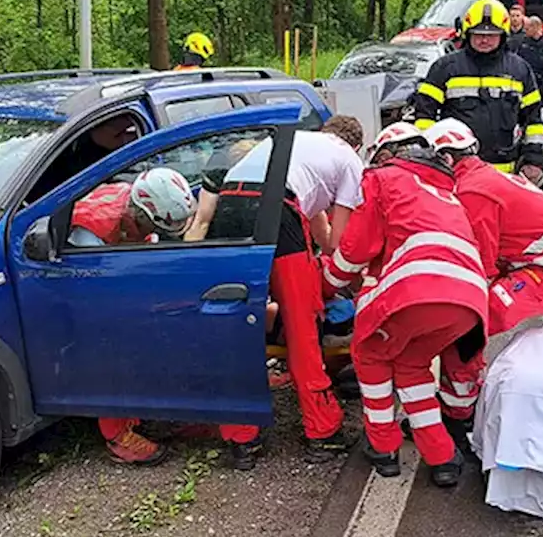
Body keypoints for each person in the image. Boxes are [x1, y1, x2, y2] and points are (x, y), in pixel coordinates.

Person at [200, 115, 367, 469]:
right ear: (357, 146)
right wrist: (348, 285)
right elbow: (339, 242)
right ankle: (322, 431)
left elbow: (318, 228)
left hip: (230, 206)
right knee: (302, 325)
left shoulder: (297, 145)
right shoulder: (351, 161)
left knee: (235, 324)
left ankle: (241, 436)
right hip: (278, 209)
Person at [319, 141, 489, 488]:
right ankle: (442, 457)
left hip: (417, 290)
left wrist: (326, 282)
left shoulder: (383, 180)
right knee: (411, 367)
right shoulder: (444, 192)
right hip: (468, 301)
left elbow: (355, 251)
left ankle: (383, 448)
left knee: (370, 355)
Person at [422, 119, 543, 438]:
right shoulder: (479, 178)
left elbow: (478, 269)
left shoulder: (473, 193)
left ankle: (460, 412)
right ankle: (461, 399)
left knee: (468, 320)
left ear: (447, 159)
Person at [69, 168, 198, 464]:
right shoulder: (90, 234)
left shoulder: (138, 202)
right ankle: (116, 435)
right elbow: (92, 294)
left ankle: (152, 413)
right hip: (83, 293)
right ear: (140, 213)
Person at [410, 0, 543, 185]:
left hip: (504, 174)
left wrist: (533, 160)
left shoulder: (520, 70)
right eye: (478, 34)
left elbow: (533, 120)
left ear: (503, 35)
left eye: (491, 35)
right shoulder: (445, 68)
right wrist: (429, 155)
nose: (484, 39)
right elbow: (424, 115)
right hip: (456, 172)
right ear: (467, 33)